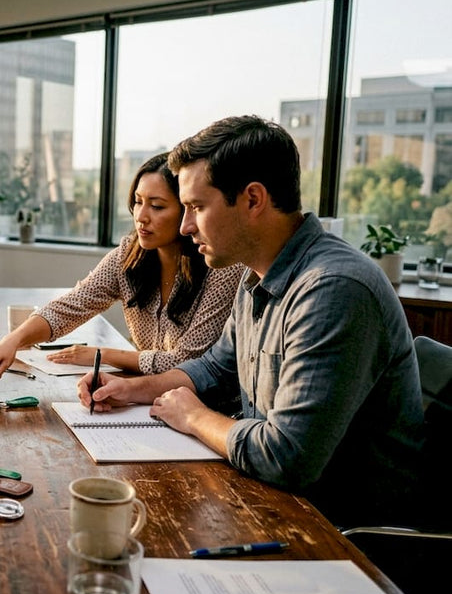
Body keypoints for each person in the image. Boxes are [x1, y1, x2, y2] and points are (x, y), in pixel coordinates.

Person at [87, 115, 424, 528]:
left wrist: (194, 417)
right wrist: (130, 390)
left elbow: (286, 458)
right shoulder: (257, 274)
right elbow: (216, 368)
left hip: (341, 532)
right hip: (273, 501)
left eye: (197, 207)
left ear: (252, 200)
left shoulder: (334, 289)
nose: (186, 226)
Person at [0, 153, 242, 382]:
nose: (141, 217)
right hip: (151, 398)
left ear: (187, 210)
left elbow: (187, 363)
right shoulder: (128, 255)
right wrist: (13, 341)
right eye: (138, 202)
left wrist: (104, 355)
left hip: (206, 408)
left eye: (157, 206)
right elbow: (72, 305)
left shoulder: (221, 267)